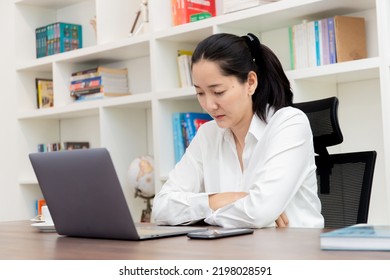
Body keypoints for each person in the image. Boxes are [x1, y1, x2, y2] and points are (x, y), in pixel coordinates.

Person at [152, 33, 324, 228]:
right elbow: (160, 208)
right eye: (200, 93)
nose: (209, 105)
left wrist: (203, 213)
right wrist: (221, 200)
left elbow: (258, 213)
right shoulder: (208, 134)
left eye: (218, 92)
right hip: (235, 252)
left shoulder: (289, 124)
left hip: (292, 254)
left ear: (250, 82)